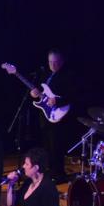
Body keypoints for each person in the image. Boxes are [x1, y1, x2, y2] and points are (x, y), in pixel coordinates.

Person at [29, 48, 75, 182]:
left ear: (62, 61)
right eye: (50, 62)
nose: (53, 65)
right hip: (45, 116)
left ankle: (59, 174)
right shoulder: (45, 75)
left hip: (60, 114)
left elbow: (73, 96)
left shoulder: (68, 76)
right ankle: (49, 172)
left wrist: (57, 101)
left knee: (57, 146)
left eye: (56, 62)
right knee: (47, 145)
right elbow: (40, 93)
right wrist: (34, 93)